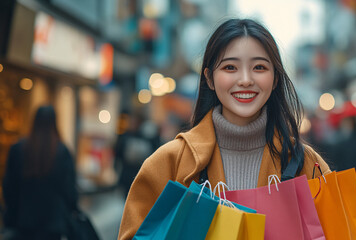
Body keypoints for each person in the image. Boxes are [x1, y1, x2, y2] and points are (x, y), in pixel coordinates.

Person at [118, 18, 331, 239]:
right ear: (209, 78)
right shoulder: (169, 163)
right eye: (230, 67)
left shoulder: (305, 164)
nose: (246, 80)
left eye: (259, 67)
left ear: (275, 78)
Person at [2, 105, 78, 240]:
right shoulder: (62, 152)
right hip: (53, 225)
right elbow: (70, 192)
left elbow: (9, 187)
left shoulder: (18, 149)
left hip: (22, 223)